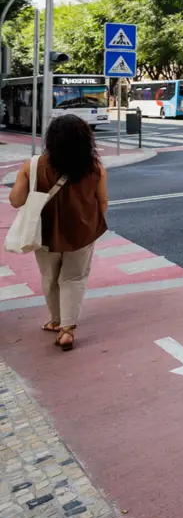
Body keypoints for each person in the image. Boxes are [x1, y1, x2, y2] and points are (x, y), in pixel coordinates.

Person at [8, 116, 108, 351]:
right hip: (82, 233)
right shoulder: (95, 168)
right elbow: (102, 202)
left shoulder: (33, 165)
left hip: (44, 233)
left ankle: (55, 320)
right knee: (74, 278)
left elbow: (15, 201)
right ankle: (67, 329)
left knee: (49, 277)